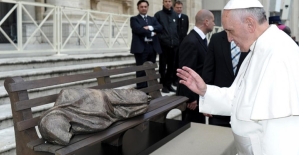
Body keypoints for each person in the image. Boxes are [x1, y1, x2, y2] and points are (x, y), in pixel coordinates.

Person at [177, 0, 299, 154]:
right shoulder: (256, 49)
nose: (229, 39)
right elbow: (238, 98)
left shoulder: (280, 55)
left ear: (250, 24)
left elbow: (284, 137)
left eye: (230, 31)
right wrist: (205, 90)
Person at [202, 31, 248, 127]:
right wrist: (206, 102)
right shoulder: (216, 38)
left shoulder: (252, 39)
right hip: (218, 110)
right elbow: (208, 70)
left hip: (244, 110)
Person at [176, 9, 214, 123]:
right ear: (206, 22)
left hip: (198, 93)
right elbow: (186, 71)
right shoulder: (191, 41)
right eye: (213, 21)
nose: (214, 24)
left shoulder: (199, 39)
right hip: (192, 97)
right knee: (191, 129)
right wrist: (191, 98)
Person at [130, 0, 162, 89]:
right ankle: (142, 90)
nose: (143, 8)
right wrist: (151, 33)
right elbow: (138, 29)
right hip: (141, 48)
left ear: (147, 7)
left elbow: (160, 28)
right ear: (138, 8)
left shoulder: (153, 19)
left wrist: (150, 27)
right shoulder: (134, 19)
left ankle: (151, 89)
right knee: (141, 70)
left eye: (145, 7)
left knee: (151, 69)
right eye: (141, 7)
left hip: (152, 47)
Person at [154, 0, 179, 93]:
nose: (168, 3)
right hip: (163, 45)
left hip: (174, 45)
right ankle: (163, 85)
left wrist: (177, 41)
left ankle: (169, 85)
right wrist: (161, 39)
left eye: (169, 1)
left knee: (172, 66)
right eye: (166, 1)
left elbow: (178, 29)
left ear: (171, 3)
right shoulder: (158, 15)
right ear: (163, 3)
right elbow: (156, 29)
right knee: (162, 66)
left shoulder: (175, 15)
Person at [173, 0, 189, 86]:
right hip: (174, 43)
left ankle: (178, 79)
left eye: (180, 8)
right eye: (177, 7)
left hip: (182, 43)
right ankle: (173, 79)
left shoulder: (185, 17)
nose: (179, 9)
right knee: (174, 62)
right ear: (174, 7)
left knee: (181, 61)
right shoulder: (172, 17)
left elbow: (185, 29)